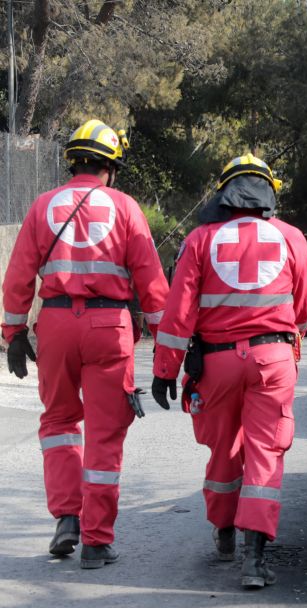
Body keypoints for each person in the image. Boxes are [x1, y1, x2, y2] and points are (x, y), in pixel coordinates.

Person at [2, 119, 169, 568]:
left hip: (55, 324)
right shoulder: (126, 207)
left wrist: (13, 333)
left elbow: (18, 276)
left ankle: (66, 519)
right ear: (109, 168)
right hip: (108, 327)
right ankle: (96, 541)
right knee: (104, 432)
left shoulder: (42, 206)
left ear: (72, 163)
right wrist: (169, 351)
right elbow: (153, 285)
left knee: (58, 422)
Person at [151, 154, 307, 589]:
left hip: (216, 363)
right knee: (266, 451)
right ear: (268, 193)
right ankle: (255, 558)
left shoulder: (200, 239)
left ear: (223, 193)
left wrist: (165, 370)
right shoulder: (291, 237)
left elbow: (178, 312)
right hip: (272, 361)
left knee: (223, 448)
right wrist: (286, 339)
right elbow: (305, 307)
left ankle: (224, 533)